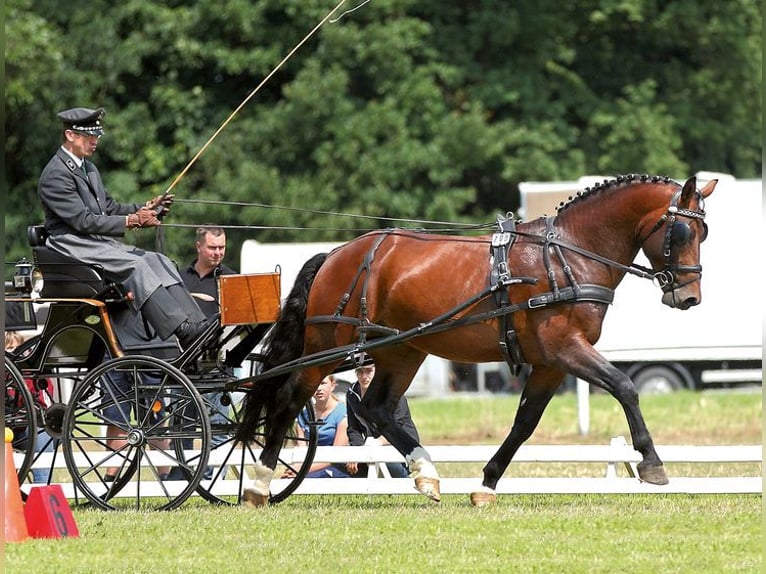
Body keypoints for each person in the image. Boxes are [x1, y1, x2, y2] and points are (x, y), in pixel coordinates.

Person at [37, 106, 213, 350]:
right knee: (136, 265)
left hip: (95, 242)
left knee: (157, 260)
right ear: (70, 135)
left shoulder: (89, 169)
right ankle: (181, 331)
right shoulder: (55, 175)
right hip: (72, 245)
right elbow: (83, 221)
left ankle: (198, 324)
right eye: (90, 135)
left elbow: (109, 207)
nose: (95, 140)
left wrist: (147, 208)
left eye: (97, 135)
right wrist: (132, 221)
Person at [179, 226, 236, 479]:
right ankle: (184, 476)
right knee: (182, 424)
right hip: (183, 361)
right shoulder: (179, 279)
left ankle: (216, 478)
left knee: (219, 422)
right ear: (199, 246)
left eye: (222, 247)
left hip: (218, 360)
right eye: (213, 247)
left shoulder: (231, 279)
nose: (218, 253)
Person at [345, 362, 420, 478]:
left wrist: (377, 442)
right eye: (360, 372)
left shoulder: (392, 392)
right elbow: (353, 428)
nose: (364, 376)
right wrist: (357, 452)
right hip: (371, 447)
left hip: (401, 447)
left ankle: (404, 476)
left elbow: (397, 428)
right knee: (338, 459)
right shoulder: (352, 393)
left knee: (385, 461)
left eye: (369, 371)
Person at [5, 331, 54, 484]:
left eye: (16, 348)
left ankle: (41, 488)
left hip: (27, 428)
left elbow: (45, 405)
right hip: (7, 430)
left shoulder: (31, 373)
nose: (13, 353)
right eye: (8, 349)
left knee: (42, 432)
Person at [294, 375, 350, 478]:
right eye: (314, 384)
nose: (318, 388)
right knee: (285, 480)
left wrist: (301, 470)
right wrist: (294, 469)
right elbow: (301, 451)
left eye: (323, 383)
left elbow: (336, 455)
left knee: (304, 479)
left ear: (332, 386)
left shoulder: (343, 414)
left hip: (334, 466)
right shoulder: (303, 416)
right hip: (307, 463)